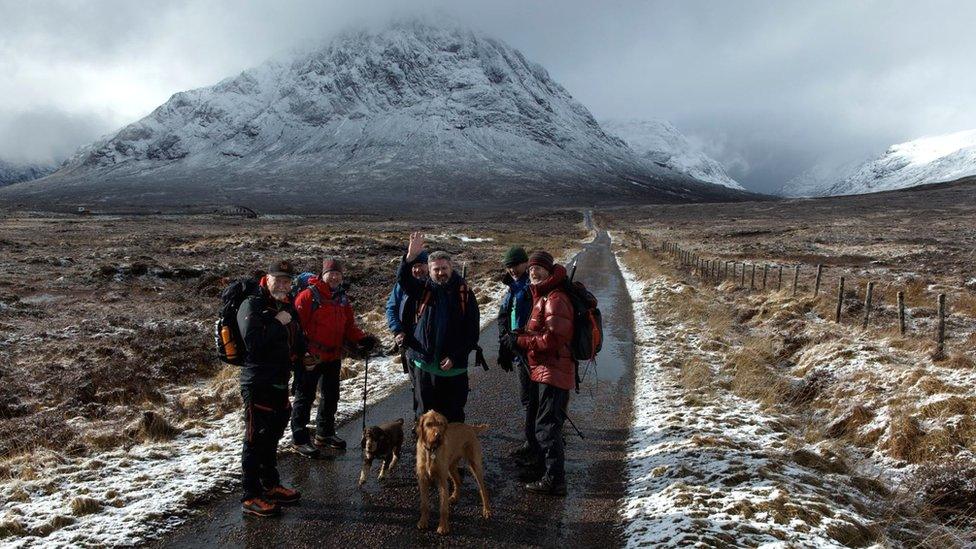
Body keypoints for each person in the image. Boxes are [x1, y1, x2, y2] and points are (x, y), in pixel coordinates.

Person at [500, 251, 573, 496]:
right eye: (531, 269)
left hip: (553, 369)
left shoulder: (555, 298)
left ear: (550, 271)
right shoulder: (542, 294)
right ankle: (545, 469)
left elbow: (553, 339)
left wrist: (521, 341)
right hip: (546, 368)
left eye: (539, 269)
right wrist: (520, 334)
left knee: (548, 426)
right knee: (545, 422)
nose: (533, 272)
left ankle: (554, 480)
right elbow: (540, 330)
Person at [236, 260, 305, 516]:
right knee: (255, 438)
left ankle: (270, 484)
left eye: (288, 281)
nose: (284, 285)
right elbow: (252, 342)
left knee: (273, 436)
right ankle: (250, 495)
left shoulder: (286, 304)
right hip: (257, 383)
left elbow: (297, 335)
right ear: (267, 278)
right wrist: (277, 322)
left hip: (280, 380)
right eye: (279, 280)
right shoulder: (253, 304)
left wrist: (302, 355)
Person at [291, 258, 378, 457]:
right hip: (311, 357)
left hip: (333, 355)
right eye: (331, 273)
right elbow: (295, 330)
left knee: (331, 396)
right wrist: (299, 356)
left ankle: (324, 433)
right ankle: (299, 439)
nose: (335, 277)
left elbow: (348, 326)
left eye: (338, 274)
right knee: (305, 398)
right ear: (323, 275)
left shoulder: (342, 298)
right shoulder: (307, 296)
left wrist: (362, 339)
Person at [398, 232, 480, 423]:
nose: (441, 272)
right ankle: (426, 453)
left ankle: (452, 453)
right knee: (425, 417)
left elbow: (472, 334)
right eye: (436, 269)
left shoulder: (465, 294)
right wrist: (409, 258)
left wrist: (455, 356)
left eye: (444, 268)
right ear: (429, 270)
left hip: (454, 369)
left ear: (451, 267)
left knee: (453, 417)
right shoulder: (423, 289)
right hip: (425, 365)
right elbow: (403, 280)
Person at [495, 247, 538, 465]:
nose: (512, 269)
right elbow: (504, 314)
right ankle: (533, 440)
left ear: (525, 263)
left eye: (515, 265)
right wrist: (505, 342)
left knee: (531, 399)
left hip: (530, 350)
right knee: (528, 399)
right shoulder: (514, 286)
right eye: (508, 266)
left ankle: (535, 444)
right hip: (517, 349)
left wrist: (518, 341)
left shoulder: (530, 286)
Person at [386, 250, 429, 423]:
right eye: (414, 266)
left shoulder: (432, 284)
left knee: (428, 384)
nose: (417, 270)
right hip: (409, 343)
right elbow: (391, 308)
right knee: (415, 384)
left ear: (428, 266)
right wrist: (397, 330)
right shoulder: (401, 286)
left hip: (427, 343)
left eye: (421, 266)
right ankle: (419, 420)